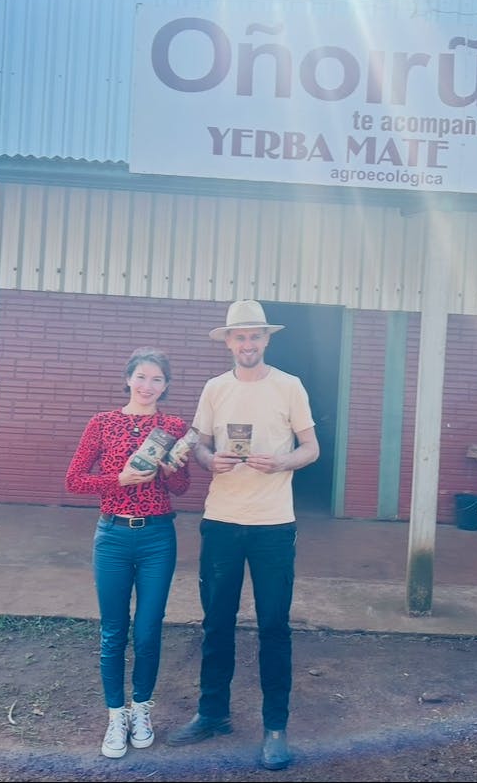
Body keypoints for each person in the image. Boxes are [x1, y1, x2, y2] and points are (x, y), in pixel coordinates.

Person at [165, 299, 319, 772]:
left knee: (273, 626)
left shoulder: (289, 386)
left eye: (255, 336)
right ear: (228, 342)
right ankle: (213, 712)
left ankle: (275, 727)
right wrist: (209, 460)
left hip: (274, 524)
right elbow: (199, 443)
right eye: (240, 337)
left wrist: (283, 461)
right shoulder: (215, 388)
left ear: (266, 339)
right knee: (216, 622)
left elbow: (311, 448)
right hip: (222, 521)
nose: (247, 343)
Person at [65, 347, 192, 759]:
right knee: (114, 631)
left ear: (166, 385)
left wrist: (171, 471)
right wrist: (118, 479)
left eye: (157, 379)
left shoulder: (173, 426)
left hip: (157, 537)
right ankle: (115, 715)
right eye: (141, 377)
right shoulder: (102, 423)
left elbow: (183, 488)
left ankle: (141, 710)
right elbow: (74, 480)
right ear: (128, 379)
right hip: (113, 537)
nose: (147, 385)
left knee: (149, 629)